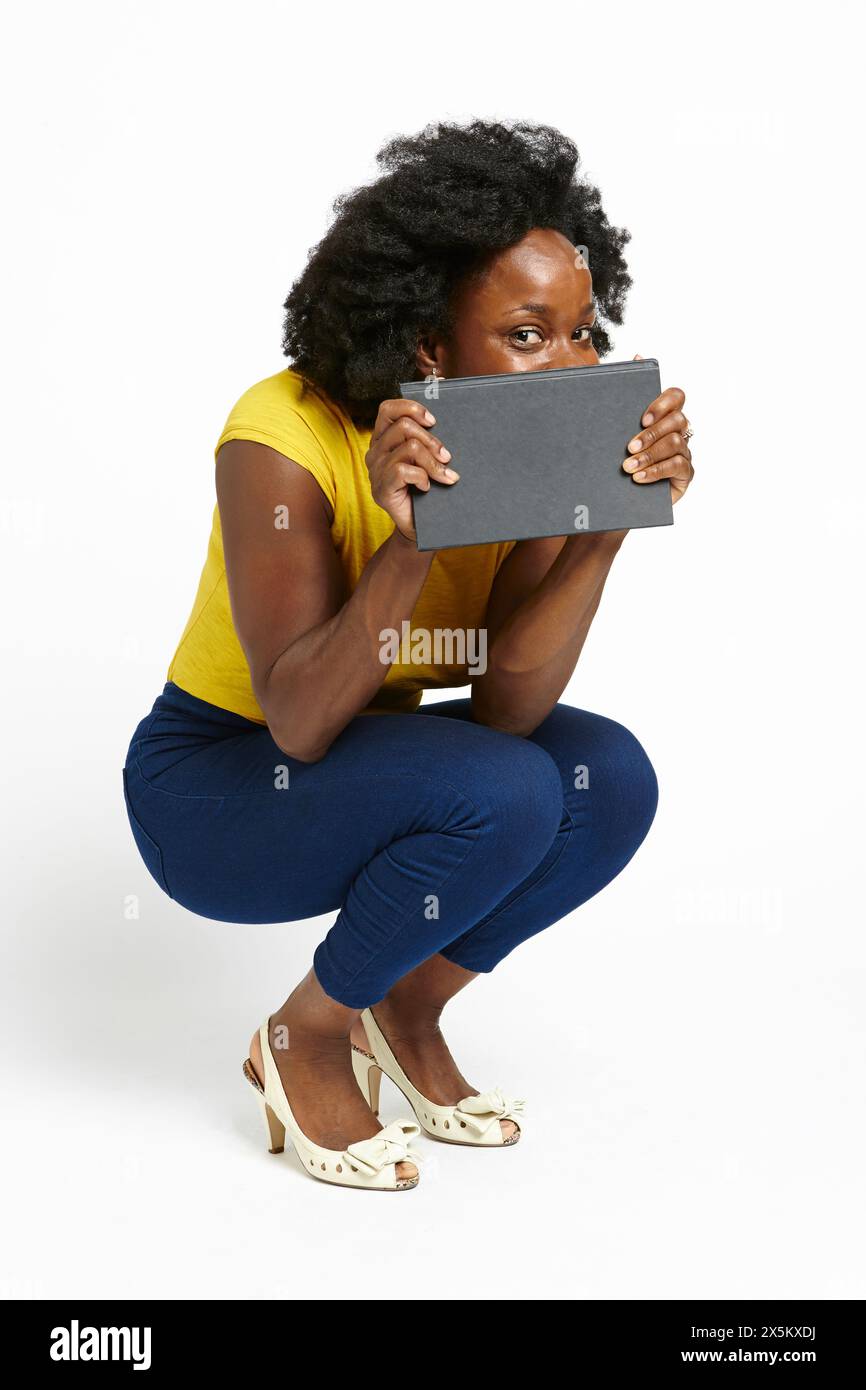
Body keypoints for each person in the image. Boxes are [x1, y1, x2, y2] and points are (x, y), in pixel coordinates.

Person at [123, 120, 694, 1192]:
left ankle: (404, 1001)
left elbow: (507, 714)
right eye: (528, 336)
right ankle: (305, 1032)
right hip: (220, 788)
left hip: (373, 762)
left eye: (582, 333)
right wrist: (407, 543)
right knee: (510, 793)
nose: (570, 365)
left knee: (600, 777)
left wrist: (604, 525)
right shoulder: (278, 436)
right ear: (429, 345)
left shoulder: (524, 459)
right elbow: (296, 720)